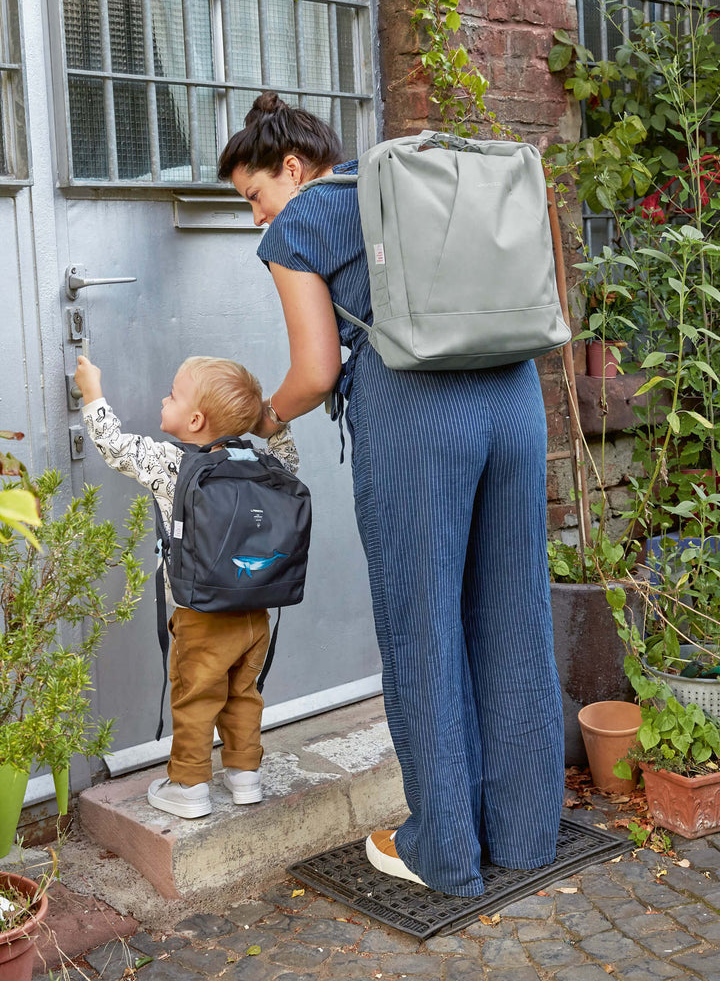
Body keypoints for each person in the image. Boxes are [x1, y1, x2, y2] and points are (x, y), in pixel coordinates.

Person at [218, 92, 565, 897]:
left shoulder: (300, 226)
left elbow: (317, 371)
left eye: (254, 196)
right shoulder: (420, 179)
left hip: (417, 417)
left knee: (424, 627)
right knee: (516, 611)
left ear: (293, 170)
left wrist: (265, 417)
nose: (256, 217)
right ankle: (525, 833)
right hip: (514, 398)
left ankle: (441, 850)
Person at [74, 352, 299, 819]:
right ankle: (244, 776)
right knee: (243, 693)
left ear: (194, 420)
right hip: (256, 613)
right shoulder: (264, 464)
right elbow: (285, 449)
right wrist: (267, 419)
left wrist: (91, 392)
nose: (164, 397)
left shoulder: (172, 464)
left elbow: (115, 447)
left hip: (201, 617)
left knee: (196, 698)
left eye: (173, 394)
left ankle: (189, 784)